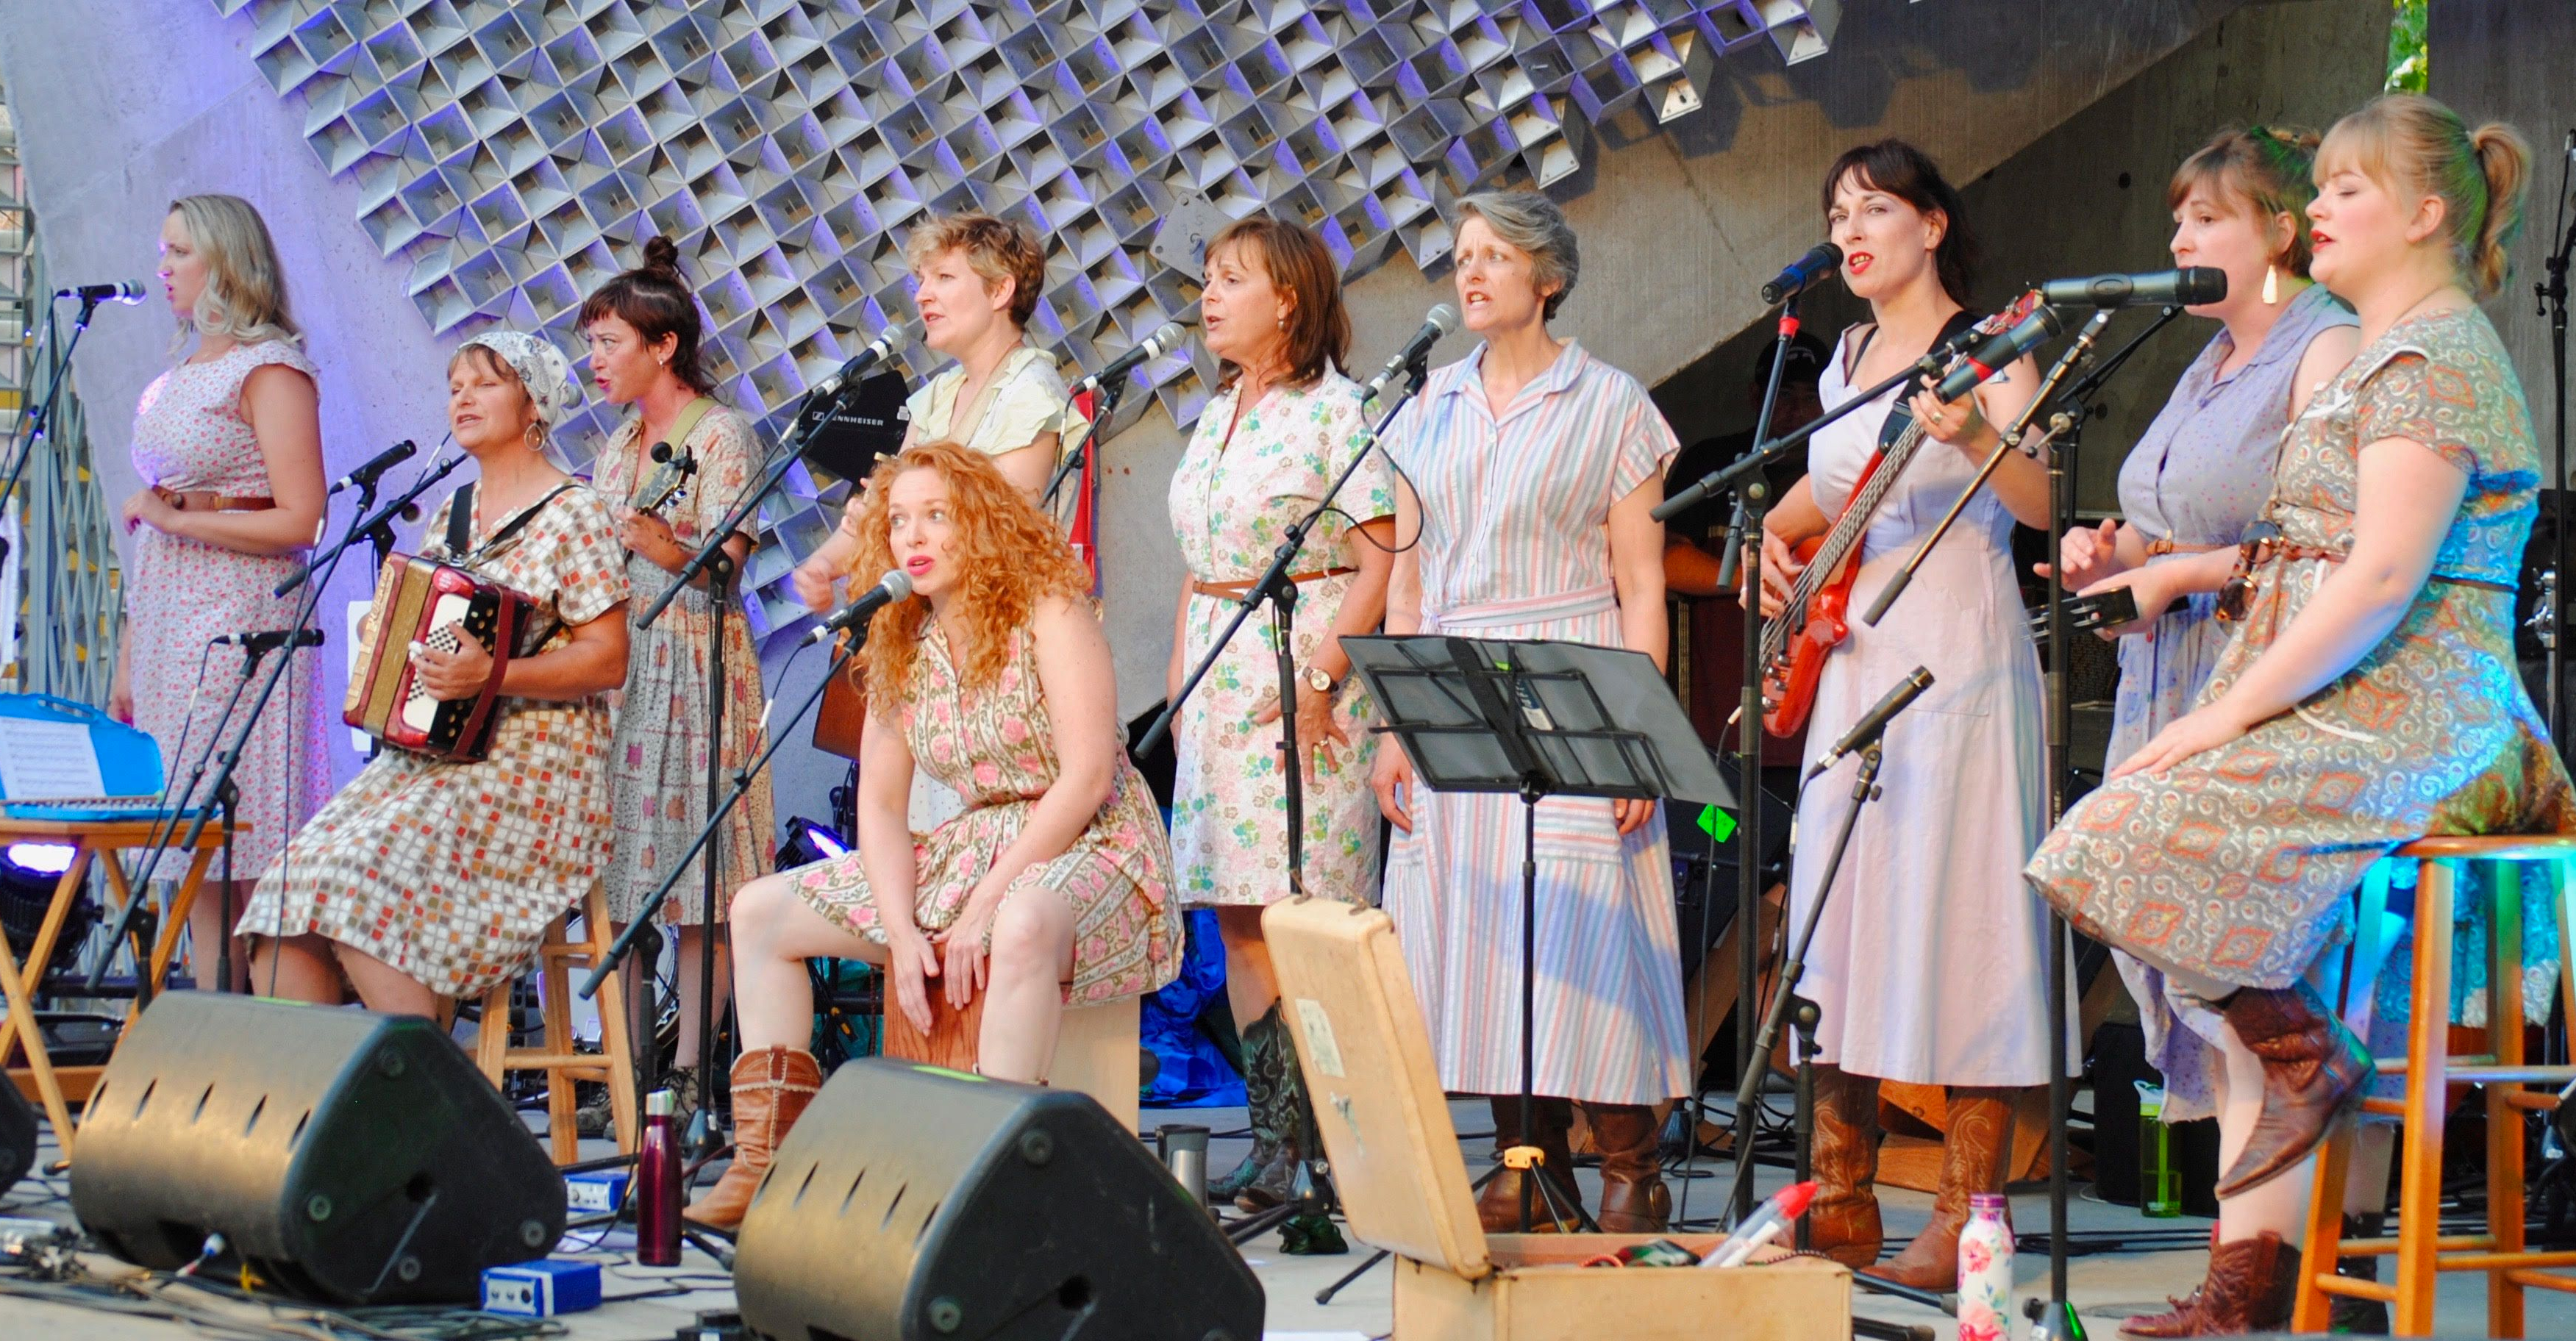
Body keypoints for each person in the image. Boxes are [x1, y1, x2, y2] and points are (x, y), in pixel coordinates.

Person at [2031, 94, 2567, 1336]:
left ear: (2422, 214)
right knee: (2170, 884)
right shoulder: (2382, 354)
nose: (2315, 208)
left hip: (2424, 716)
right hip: (2349, 704)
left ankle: (2297, 1074)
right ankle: (2258, 1273)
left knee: (2118, 834)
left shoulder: (2431, 359)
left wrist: (2224, 716)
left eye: (2341, 189)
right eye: (2316, 186)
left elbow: (2378, 578)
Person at [2036, 126, 2383, 1329]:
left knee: (2265, 984)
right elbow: (2176, 519)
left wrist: (2178, 570)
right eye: (2175, 220)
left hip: (2264, 683)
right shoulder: (2206, 359)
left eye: (2205, 219)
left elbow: (2335, 550)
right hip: (2173, 673)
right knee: (2223, 1004)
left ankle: (2291, 1280)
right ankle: (2253, 1278)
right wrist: (2113, 552)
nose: (2179, 239)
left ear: (2279, 230)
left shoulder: (2323, 344)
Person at [689, 441, 1179, 1229]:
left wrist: (985, 903)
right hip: (974, 842)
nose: (911, 537)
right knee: (758, 911)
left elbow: (1087, 778)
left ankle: (994, 1186)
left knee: (1020, 921)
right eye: (898, 521)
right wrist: (897, 925)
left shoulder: (1050, 611)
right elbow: (882, 806)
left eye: (936, 516)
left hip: (1087, 839)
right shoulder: (899, 636)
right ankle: (762, 1164)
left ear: (982, 524)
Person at [1749, 140, 2059, 1285]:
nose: (1849, 230)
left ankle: (1966, 1214)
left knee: (1962, 911)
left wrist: (1973, 434)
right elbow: (1828, 486)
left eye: (1873, 207)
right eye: (1836, 212)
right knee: (1843, 914)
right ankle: (1838, 1199)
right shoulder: (1844, 355)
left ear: (1931, 225)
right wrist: (1769, 543)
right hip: (1852, 653)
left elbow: (2040, 495)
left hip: (1958, 648)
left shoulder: (1987, 345)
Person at [1369, 190, 1688, 1234]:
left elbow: (1641, 584)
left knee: (1586, 929)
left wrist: (1636, 739)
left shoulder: (1611, 403)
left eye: (1494, 256)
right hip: (1455, 679)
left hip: (1572, 672)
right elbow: (1407, 583)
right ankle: (1529, 1165)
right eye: (1461, 256)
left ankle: (1632, 1166)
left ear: (1546, 279)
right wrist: (1394, 730)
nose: (1469, 273)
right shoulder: (1425, 407)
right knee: (1484, 935)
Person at [235, 332, 629, 1016]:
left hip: (534, 770)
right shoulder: (452, 513)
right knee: (288, 888)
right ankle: (317, 1085)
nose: (463, 399)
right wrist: (388, 636)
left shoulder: (576, 511)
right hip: (431, 759)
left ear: (533, 406)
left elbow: (609, 658)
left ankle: (419, 1083)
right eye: (455, 388)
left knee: (355, 886)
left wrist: (492, 675)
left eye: (486, 383)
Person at [1164, 215, 1396, 1214]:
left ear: (1288, 300)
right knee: (1238, 914)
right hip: (1218, 677)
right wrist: (1179, 677)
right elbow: (1199, 562)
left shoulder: (1340, 411)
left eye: (1232, 280)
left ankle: (1340, 1148)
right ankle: (1275, 1146)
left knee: (1306, 913)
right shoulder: (1215, 410)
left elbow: (1381, 562)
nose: (1208, 297)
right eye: (1207, 279)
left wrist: (1322, 679)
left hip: (1302, 676)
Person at [111, 193, 332, 992]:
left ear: (226, 262)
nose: (163, 267)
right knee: (192, 849)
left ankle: (273, 1027)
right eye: (162, 251)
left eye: (180, 252)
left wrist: (181, 518)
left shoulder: (269, 367)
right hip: (170, 621)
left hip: (241, 620)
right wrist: (131, 657)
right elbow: (157, 528)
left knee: (247, 842)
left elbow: (303, 517)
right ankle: (212, 1013)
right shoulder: (179, 374)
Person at [585, 235, 775, 1124]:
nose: (596, 360)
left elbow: (727, 567)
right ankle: (626, 1077)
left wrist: (662, 547)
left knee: (702, 883)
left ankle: (694, 1074)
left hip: (697, 666)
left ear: (663, 346)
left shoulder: (722, 434)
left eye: (609, 343)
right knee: (623, 881)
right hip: (623, 669)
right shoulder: (619, 442)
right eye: (591, 344)